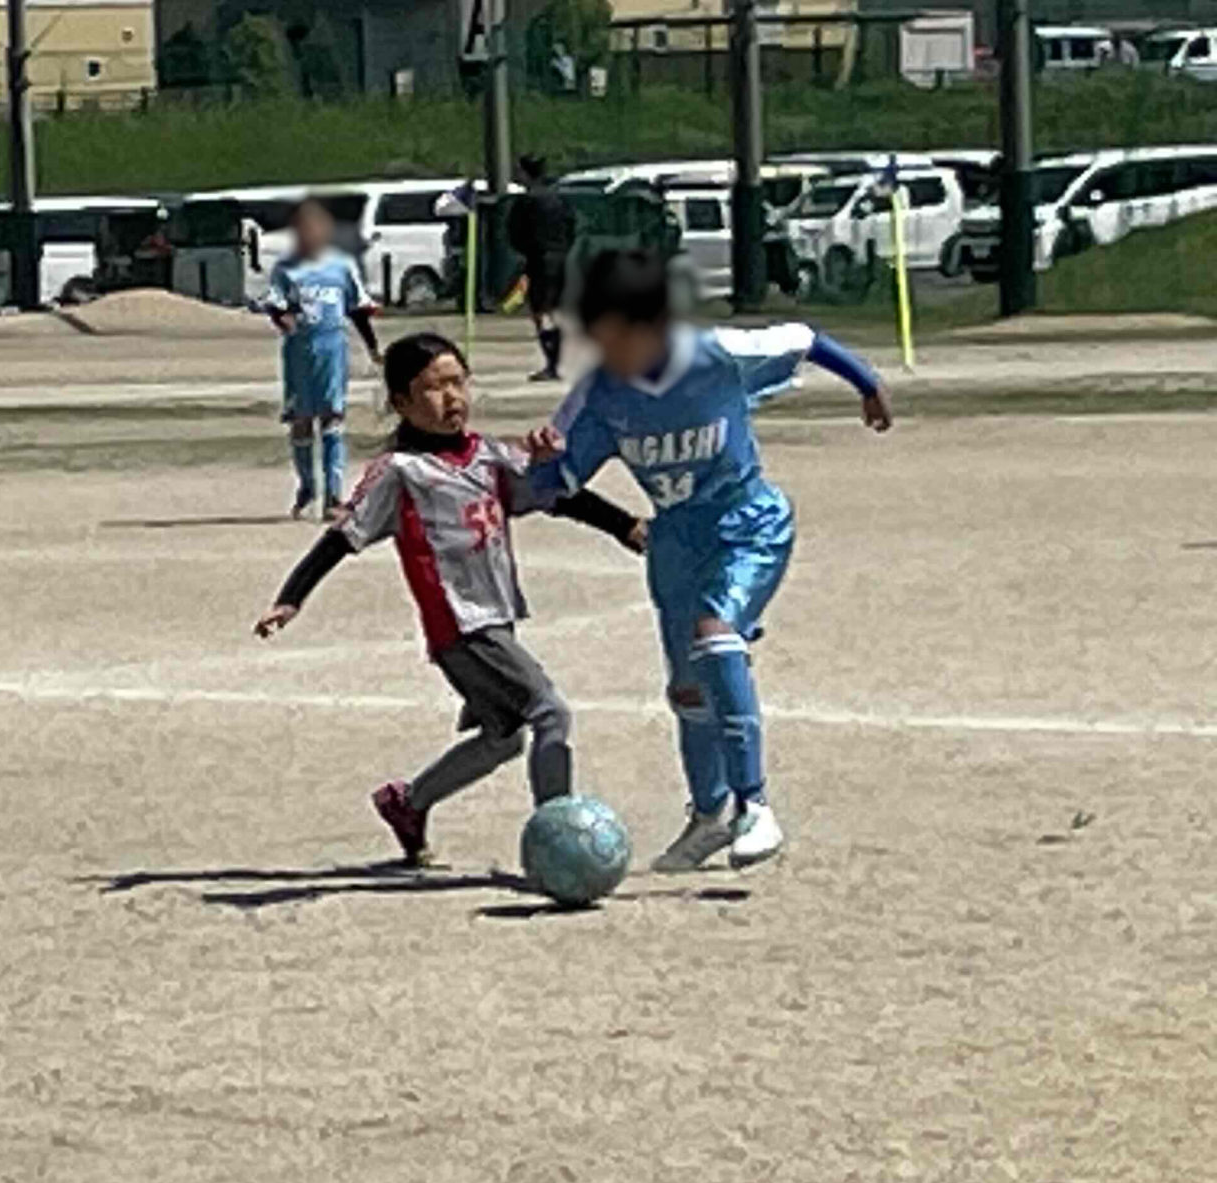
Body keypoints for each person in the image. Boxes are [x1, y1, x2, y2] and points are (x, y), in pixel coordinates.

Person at [528, 249, 892, 872]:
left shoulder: (718, 352)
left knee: (715, 634)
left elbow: (804, 338)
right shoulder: (600, 393)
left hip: (748, 524)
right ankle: (708, 816)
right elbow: (552, 485)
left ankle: (756, 805)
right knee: (689, 689)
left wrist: (867, 384)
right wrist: (542, 460)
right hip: (675, 543)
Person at [253, 331, 641, 865]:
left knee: (504, 736)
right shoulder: (399, 472)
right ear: (401, 402)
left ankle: (409, 803)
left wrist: (624, 525)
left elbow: (558, 496)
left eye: (458, 382)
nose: (451, 397)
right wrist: (291, 597)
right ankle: (560, 841)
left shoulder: (490, 456)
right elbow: (341, 537)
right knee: (549, 712)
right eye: (433, 388)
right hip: (459, 624)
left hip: (495, 619)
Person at [265, 196, 381, 519]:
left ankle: (333, 496)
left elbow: (357, 310)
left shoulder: (341, 267)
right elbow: (275, 305)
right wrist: (283, 319)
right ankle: (307, 487)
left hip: (332, 352)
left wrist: (373, 347)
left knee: (332, 418)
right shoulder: (287, 269)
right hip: (300, 354)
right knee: (301, 421)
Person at [505, 153, 577, 382]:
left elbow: (515, 232)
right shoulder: (559, 200)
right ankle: (557, 360)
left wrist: (525, 251)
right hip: (561, 258)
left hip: (539, 260)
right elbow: (572, 227)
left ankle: (552, 362)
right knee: (556, 311)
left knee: (541, 312)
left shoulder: (527, 202)